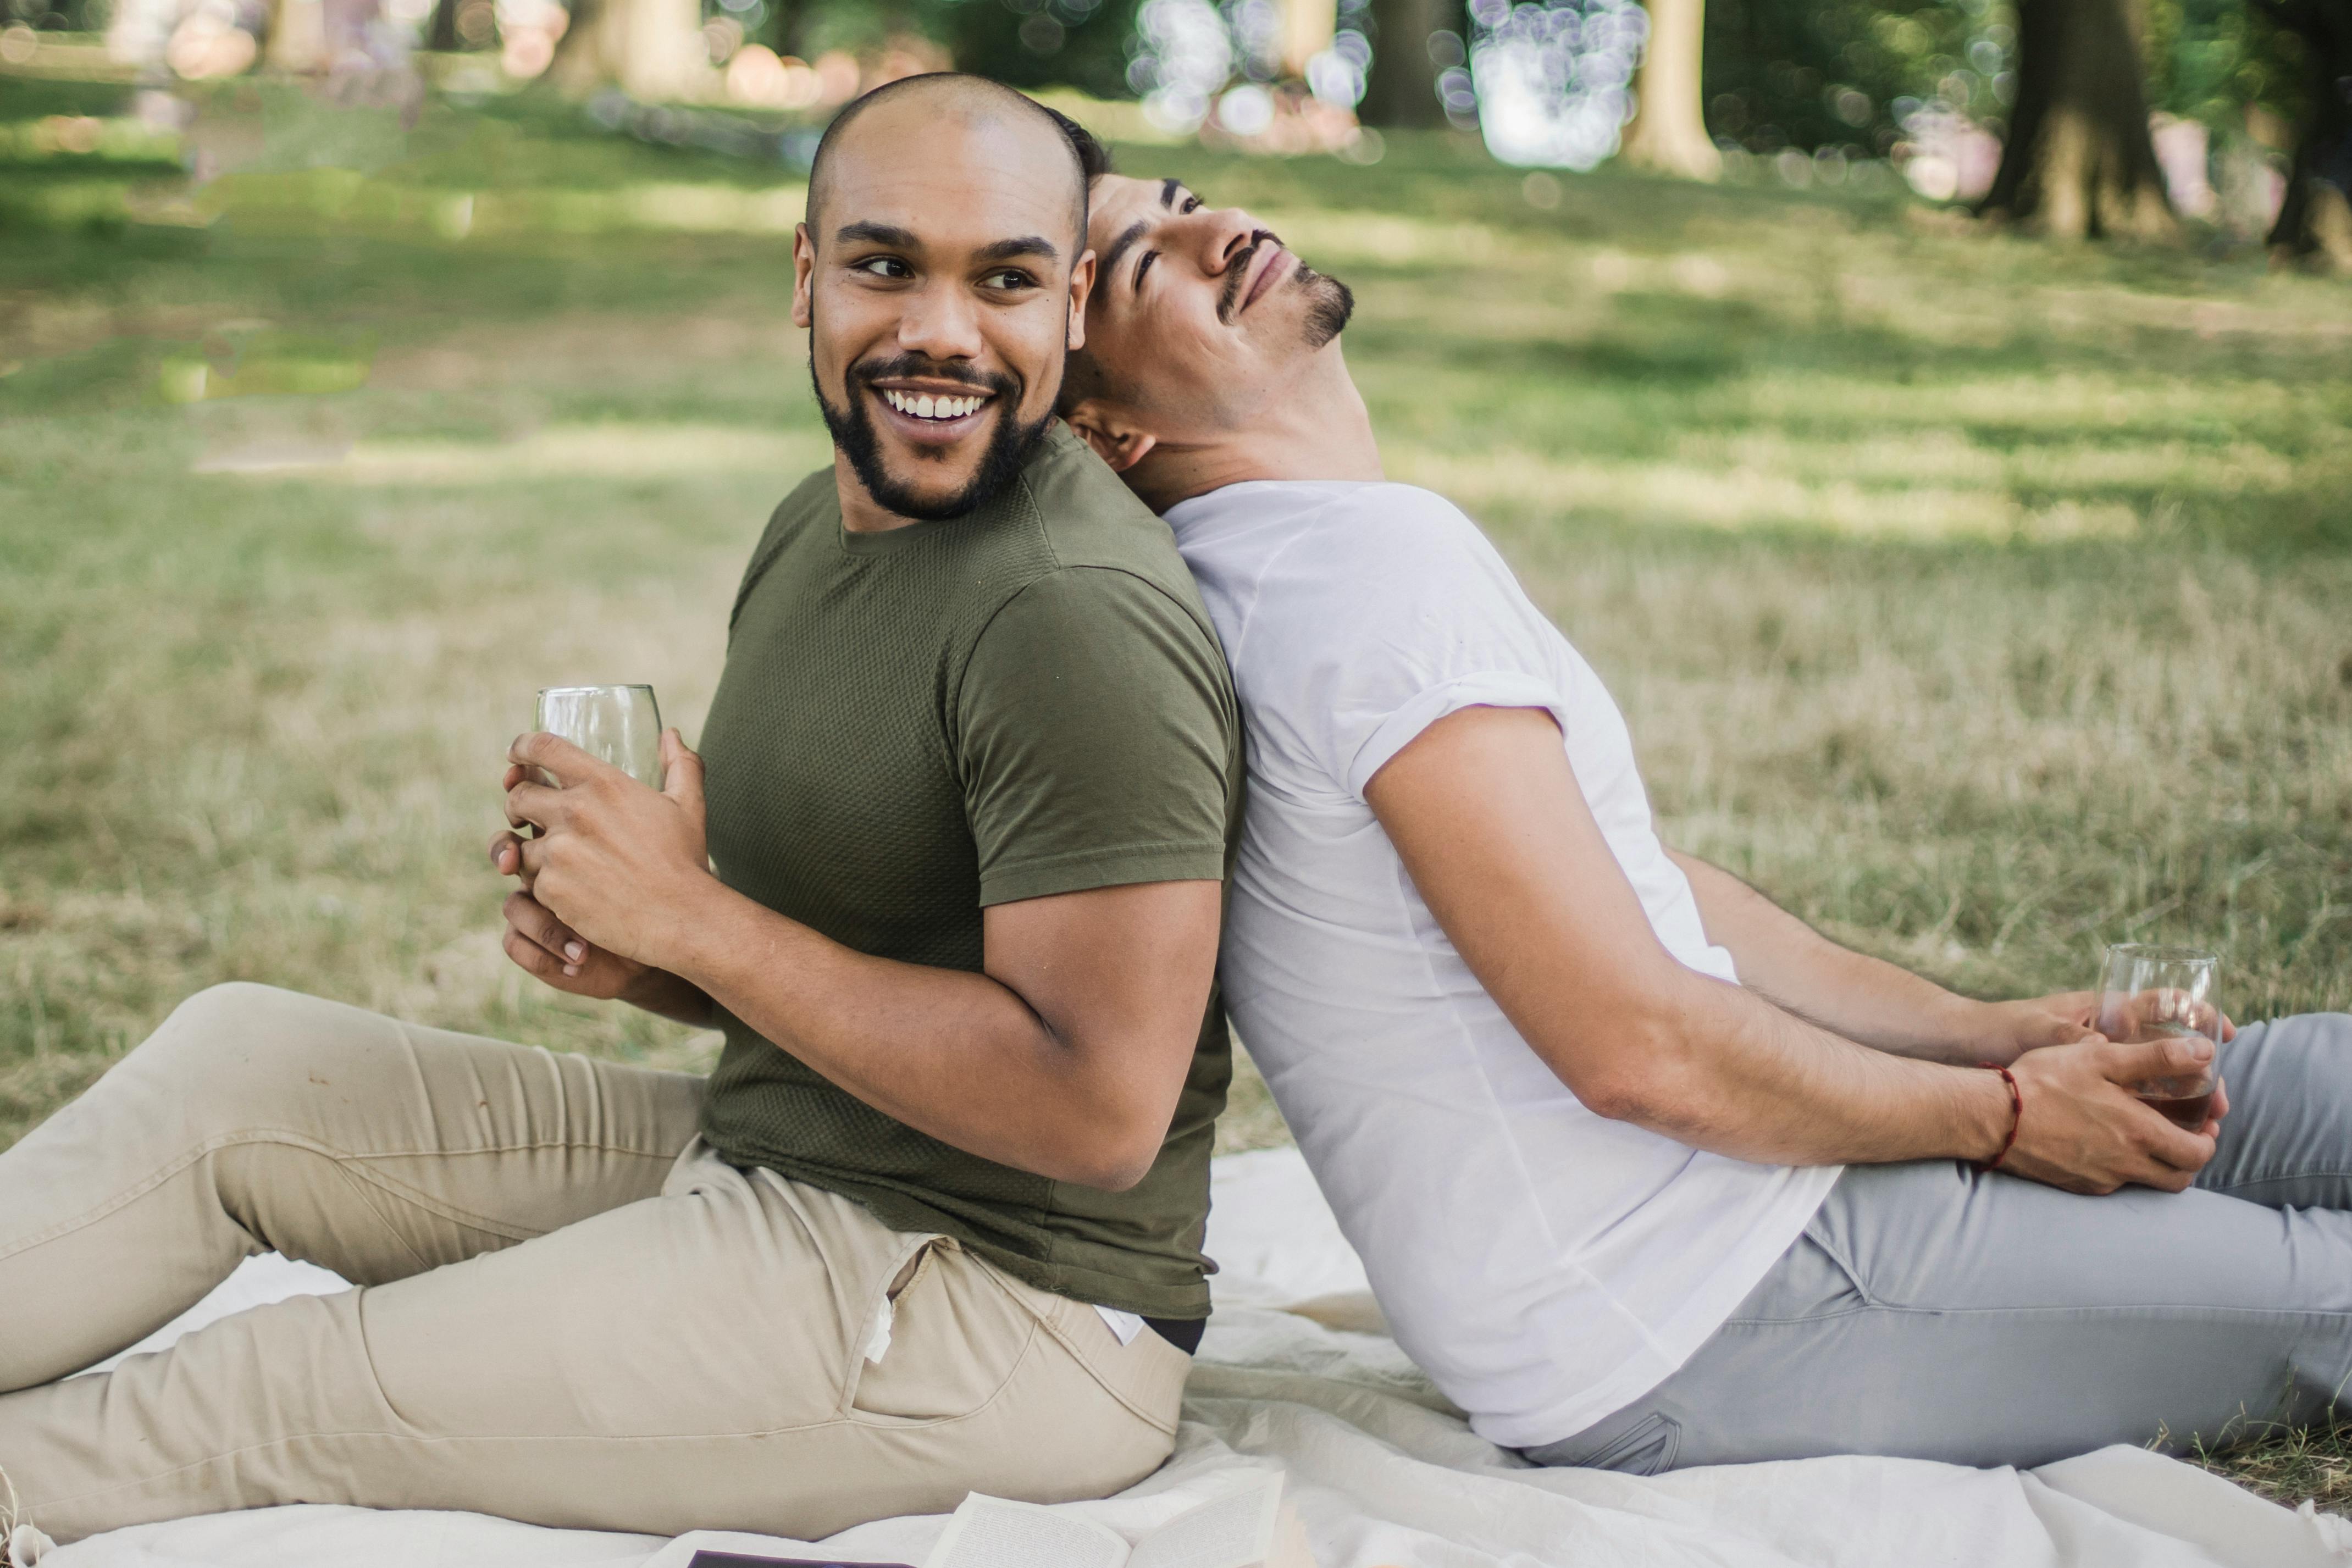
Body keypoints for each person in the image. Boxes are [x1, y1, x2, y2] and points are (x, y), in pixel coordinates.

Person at [0, 76, 1242, 1545]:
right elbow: (872, 964)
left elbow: (1100, 1109)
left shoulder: (1069, 613)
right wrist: (646, 951)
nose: (942, 333)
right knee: (237, 1068)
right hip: (781, 1154)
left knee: (244, 1393)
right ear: (806, 276)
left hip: (1002, 1312)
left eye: (1008, 279)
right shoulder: (823, 519)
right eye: (886, 263)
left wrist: (701, 917)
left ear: (1075, 299)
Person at [1055, 156, 2352, 1473]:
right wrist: (2011, 1113)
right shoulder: (1358, 581)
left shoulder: (1291, 558)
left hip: (1747, 1191)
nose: (1215, 228)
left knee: (2300, 1088)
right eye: (1146, 261)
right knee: (2334, 1288)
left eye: (1183, 196)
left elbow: (1627, 884)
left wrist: (1985, 1037)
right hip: (1695, 1305)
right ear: (1109, 432)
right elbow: (1634, 1047)